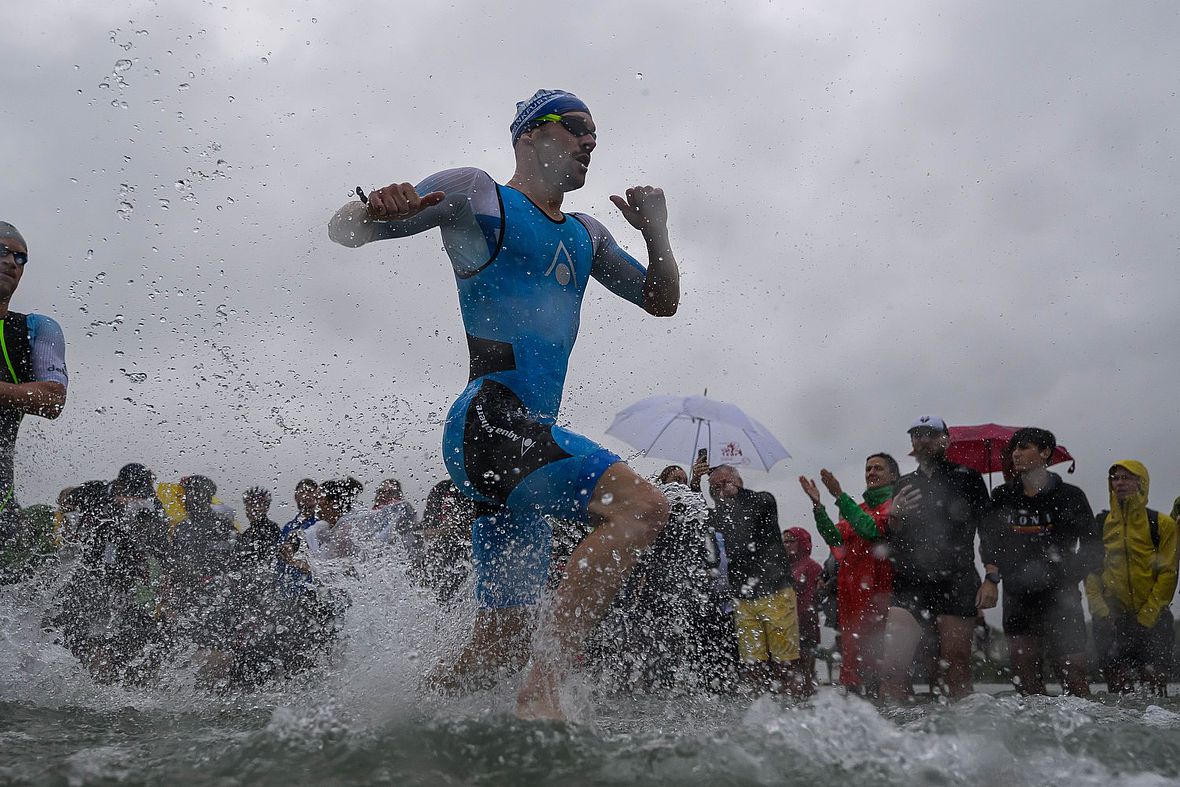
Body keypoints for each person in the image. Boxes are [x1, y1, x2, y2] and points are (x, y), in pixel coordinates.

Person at [328, 88, 680, 719]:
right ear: (528, 135)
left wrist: (656, 231)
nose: (589, 142)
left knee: (501, 637)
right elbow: (344, 233)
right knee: (644, 507)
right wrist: (376, 207)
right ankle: (543, 689)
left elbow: (661, 299)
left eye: (595, 134)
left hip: (522, 439)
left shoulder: (586, 236)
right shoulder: (478, 196)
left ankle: (402, 720)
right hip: (489, 420)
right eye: (575, 128)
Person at [880, 416, 993, 700]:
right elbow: (893, 538)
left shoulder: (968, 478)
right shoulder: (904, 483)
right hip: (910, 582)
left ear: (946, 439)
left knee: (956, 662)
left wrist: (991, 577)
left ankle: (962, 731)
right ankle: (894, 734)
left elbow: (989, 531)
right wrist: (895, 516)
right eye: (917, 435)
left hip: (956, 579)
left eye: (930, 434)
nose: (923, 440)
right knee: (893, 666)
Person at [981, 428, 1100, 696]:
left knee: (1074, 673)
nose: (1016, 454)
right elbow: (989, 543)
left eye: (1024, 447)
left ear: (1045, 452)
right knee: (1025, 677)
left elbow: (1094, 547)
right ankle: (1033, 734)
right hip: (1018, 596)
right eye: (1014, 449)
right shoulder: (1002, 496)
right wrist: (991, 577)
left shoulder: (1070, 496)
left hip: (1062, 597)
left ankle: (1081, 731)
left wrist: (1068, 576)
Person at [691, 459, 798, 694]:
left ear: (739, 483)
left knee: (784, 662)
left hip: (775, 591)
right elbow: (697, 516)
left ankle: (792, 709)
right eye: (715, 488)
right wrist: (696, 483)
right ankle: (757, 708)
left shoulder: (762, 501)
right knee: (753, 662)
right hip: (742, 597)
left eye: (726, 483)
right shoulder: (718, 517)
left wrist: (736, 494)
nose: (721, 490)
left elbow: (762, 504)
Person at [800, 453, 899, 694]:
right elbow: (834, 537)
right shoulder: (860, 508)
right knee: (852, 659)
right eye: (868, 469)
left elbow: (870, 530)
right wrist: (818, 507)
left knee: (878, 659)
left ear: (893, 476)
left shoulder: (894, 505)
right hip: (851, 595)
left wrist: (839, 496)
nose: (871, 473)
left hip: (880, 592)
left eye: (878, 468)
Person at [0, 222, 68, 553]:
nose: (11, 262)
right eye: (1, 251)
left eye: (20, 257)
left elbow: (52, 400)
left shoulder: (35, 329)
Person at [1085, 460, 1178, 694]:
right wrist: (1100, 609)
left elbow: (1168, 572)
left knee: (1156, 688)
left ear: (1141, 483)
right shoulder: (1102, 523)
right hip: (1112, 619)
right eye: (1115, 478)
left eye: (1127, 478)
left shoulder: (1161, 524)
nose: (1120, 483)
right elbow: (1092, 570)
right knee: (1117, 688)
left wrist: (1148, 614)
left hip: (1153, 617)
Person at [783, 527, 823, 693]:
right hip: (785, 625)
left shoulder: (812, 567)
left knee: (805, 673)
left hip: (806, 625)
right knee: (787, 675)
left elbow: (813, 597)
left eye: (792, 541)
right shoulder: (783, 566)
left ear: (802, 543)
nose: (787, 545)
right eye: (784, 541)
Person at [316, 477, 366, 561]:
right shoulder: (337, 528)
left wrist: (296, 563)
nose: (316, 504)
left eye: (319, 499)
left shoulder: (345, 532)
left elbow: (333, 569)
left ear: (333, 503)